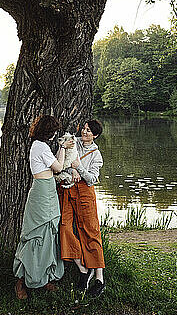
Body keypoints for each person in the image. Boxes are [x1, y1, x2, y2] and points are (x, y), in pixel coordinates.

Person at [13, 114, 75, 300]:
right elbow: (58, 167)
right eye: (53, 131)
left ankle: (44, 277)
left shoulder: (42, 147)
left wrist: (60, 150)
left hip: (48, 190)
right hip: (41, 193)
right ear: (47, 131)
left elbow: (54, 164)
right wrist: (63, 147)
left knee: (49, 234)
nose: (55, 134)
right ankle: (22, 281)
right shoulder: (40, 146)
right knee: (37, 235)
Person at [57, 119, 105, 298]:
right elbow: (60, 161)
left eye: (89, 131)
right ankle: (83, 269)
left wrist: (80, 169)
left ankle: (99, 278)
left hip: (85, 192)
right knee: (65, 228)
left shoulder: (96, 154)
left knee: (91, 231)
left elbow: (92, 178)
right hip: (67, 190)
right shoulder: (73, 142)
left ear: (95, 135)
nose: (84, 132)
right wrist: (72, 170)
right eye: (84, 129)